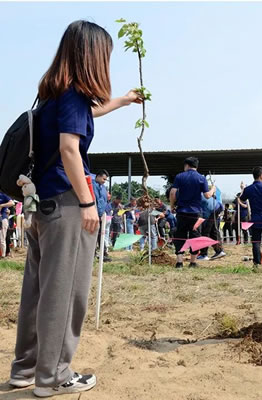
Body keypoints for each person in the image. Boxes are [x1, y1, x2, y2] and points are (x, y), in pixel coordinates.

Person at [9, 20, 141, 397]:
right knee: (66, 293)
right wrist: (88, 202)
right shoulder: (74, 95)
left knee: (37, 290)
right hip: (67, 205)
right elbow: (70, 148)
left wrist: (122, 101)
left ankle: (26, 370)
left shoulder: (54, 93)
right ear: (92, 55)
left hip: (40, 207)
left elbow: (84, 119)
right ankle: (55, 377)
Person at [169, 157, 215, 268]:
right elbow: (207, 195)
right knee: (195, 237)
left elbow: (172, 192)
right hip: (196, 213)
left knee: (180, 236)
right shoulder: (201, 178)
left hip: (182, 212)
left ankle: (179, 263)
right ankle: (192, 262)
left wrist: (172, 206)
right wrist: (213, 188)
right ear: (196, 166)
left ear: (186, 165)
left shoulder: (179, 176)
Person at [198, 192, 226, 261]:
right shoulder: (197, 192)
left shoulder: (192, 196)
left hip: (211, 210)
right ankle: (219, 251)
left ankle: (204, 254)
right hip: (217, 207)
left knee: (205, 232)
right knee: (213, 231)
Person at [92, 170, 110, 261]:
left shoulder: (103, 187)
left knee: (101, 235)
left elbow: (104, 201)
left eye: (106, 180)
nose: (104, 181)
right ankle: (93, 254)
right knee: (93, 235)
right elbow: (96, 200)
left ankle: (103, 254)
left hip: (102, 214)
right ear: (98, 176)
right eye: (103, 179)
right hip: (94, 214)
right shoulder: (92, 185)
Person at [0, 191, 15, 258]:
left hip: (2, 218)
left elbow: (12, 203)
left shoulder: (3, 195)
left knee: (1, 238)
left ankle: (3, 255)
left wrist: (2, 205)